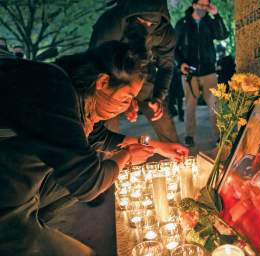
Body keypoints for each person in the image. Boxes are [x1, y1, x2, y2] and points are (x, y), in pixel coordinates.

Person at [0, 40, 188, 255]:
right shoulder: (53, 88)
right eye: (127, 98)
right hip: (6, 201)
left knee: (94, 164)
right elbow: (89, 182)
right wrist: (125, 156)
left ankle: (37, 226)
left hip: (21, 186)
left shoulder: (74, 92)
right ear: (103, 81)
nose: (128, 107)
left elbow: (100, 138)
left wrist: (158, 147)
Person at [89, 0, 179, 143]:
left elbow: (166, 67)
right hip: (110, 78)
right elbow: (95, 61)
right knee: (107, 121)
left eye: (152, 24)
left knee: (161, 116)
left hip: (144, 77)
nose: (147, 27)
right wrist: (124, 99)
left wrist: (158, 97)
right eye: (142, 21)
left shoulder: (166, 33)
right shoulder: (113, 22)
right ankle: (104, 160)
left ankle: (177, 155)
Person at [175, 0, 229, 147]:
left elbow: (223, 35)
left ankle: (219, 136)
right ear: (194, 5)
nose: (203, 8)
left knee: (215, 105)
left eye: (206, 5)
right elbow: (174, 48)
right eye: (201, 5)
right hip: (189, 72)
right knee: (190, 105)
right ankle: (189, 135)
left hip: (208, 72)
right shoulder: (183, 24)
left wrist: (216, 15)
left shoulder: (209, 23)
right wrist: (181, 63)